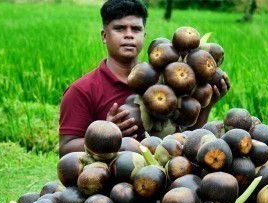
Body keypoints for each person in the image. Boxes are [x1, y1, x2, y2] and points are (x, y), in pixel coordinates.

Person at [59, 0, 228, 156]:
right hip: (113, 182)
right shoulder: (82, 90)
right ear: (104, 36)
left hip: (162, 177)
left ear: (144, 36)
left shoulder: (167, 81)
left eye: (136, 29)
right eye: (119, 28)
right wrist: (106, 134)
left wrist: (206, 104)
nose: (129, 35)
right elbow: (66, 149)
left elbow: (187, 140)